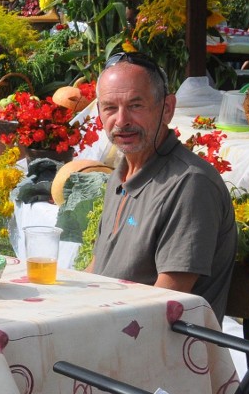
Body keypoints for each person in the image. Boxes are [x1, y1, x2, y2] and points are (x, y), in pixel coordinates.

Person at [88, 52, 237, 322]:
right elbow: (99, 267)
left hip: (158, 348)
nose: (121, 121)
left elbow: (166, 300)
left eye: (136, 105)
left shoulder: (190, 183)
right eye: (110, 107)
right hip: (107, 326)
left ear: (167, 109)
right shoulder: (121, 174)